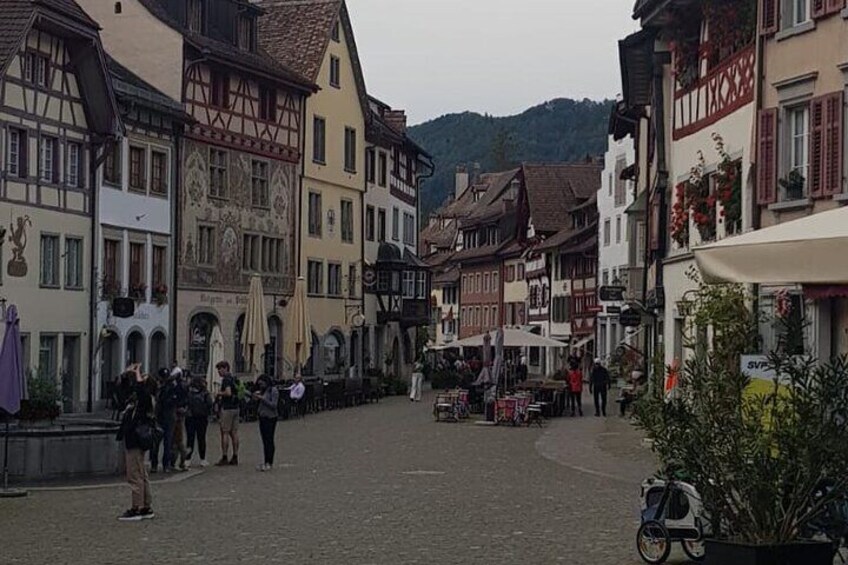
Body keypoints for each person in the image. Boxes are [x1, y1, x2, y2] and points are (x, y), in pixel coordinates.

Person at [115, 364, 157, 521]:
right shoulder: (137, 401)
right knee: (141, 474)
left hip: (137, 439)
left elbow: (141, 390)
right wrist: (128, 373)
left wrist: (138, 374)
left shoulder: (146, 399)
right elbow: (123, 388)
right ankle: (145, 506)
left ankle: (137, 508)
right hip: (135, 438)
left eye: (142, 379)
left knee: (135, 475)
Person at [215, 361, 240, 466]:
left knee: (224, 432)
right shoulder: (234, 378)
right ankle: (235, 456)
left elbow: (228, 393)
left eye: (219, 369)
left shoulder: (226, 379)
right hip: (236, 408)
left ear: (225, 368)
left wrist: (219, 393)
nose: (219, 372)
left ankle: (225, 456)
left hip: (227, 408)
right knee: (234, 433)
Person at [253, 374, 279, 471]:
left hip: (270, 418)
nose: (261, 386)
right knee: (264, 440)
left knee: (269, 440)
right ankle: (265, 461)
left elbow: (273, 405)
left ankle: (270, 462)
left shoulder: (273, 390)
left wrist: (262, 398)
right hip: (262, 417)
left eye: (262, 384)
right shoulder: (262, 391)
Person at [185, 375, 213, 467]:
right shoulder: (205, 393)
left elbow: (185, 404)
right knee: (201, 438)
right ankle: (202, 459)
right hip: (202, 418)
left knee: (190, 439)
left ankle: (187, 459)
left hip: (190, 417)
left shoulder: (189, 393)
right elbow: (210, 404)